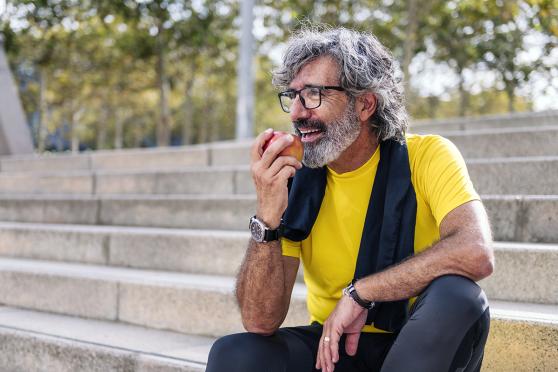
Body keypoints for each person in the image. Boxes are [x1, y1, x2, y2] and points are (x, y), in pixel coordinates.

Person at [206, 26, 494, 372]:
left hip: (419, 344)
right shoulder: (294, 180)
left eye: (313, 94)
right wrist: (267, 217)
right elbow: (260, 320)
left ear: (365, 104)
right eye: (292, 96)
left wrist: (362, 291)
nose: (296, 112)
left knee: (458, 298)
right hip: (334, 349)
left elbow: (475, 251)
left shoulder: (429, 156)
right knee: (236, 355)